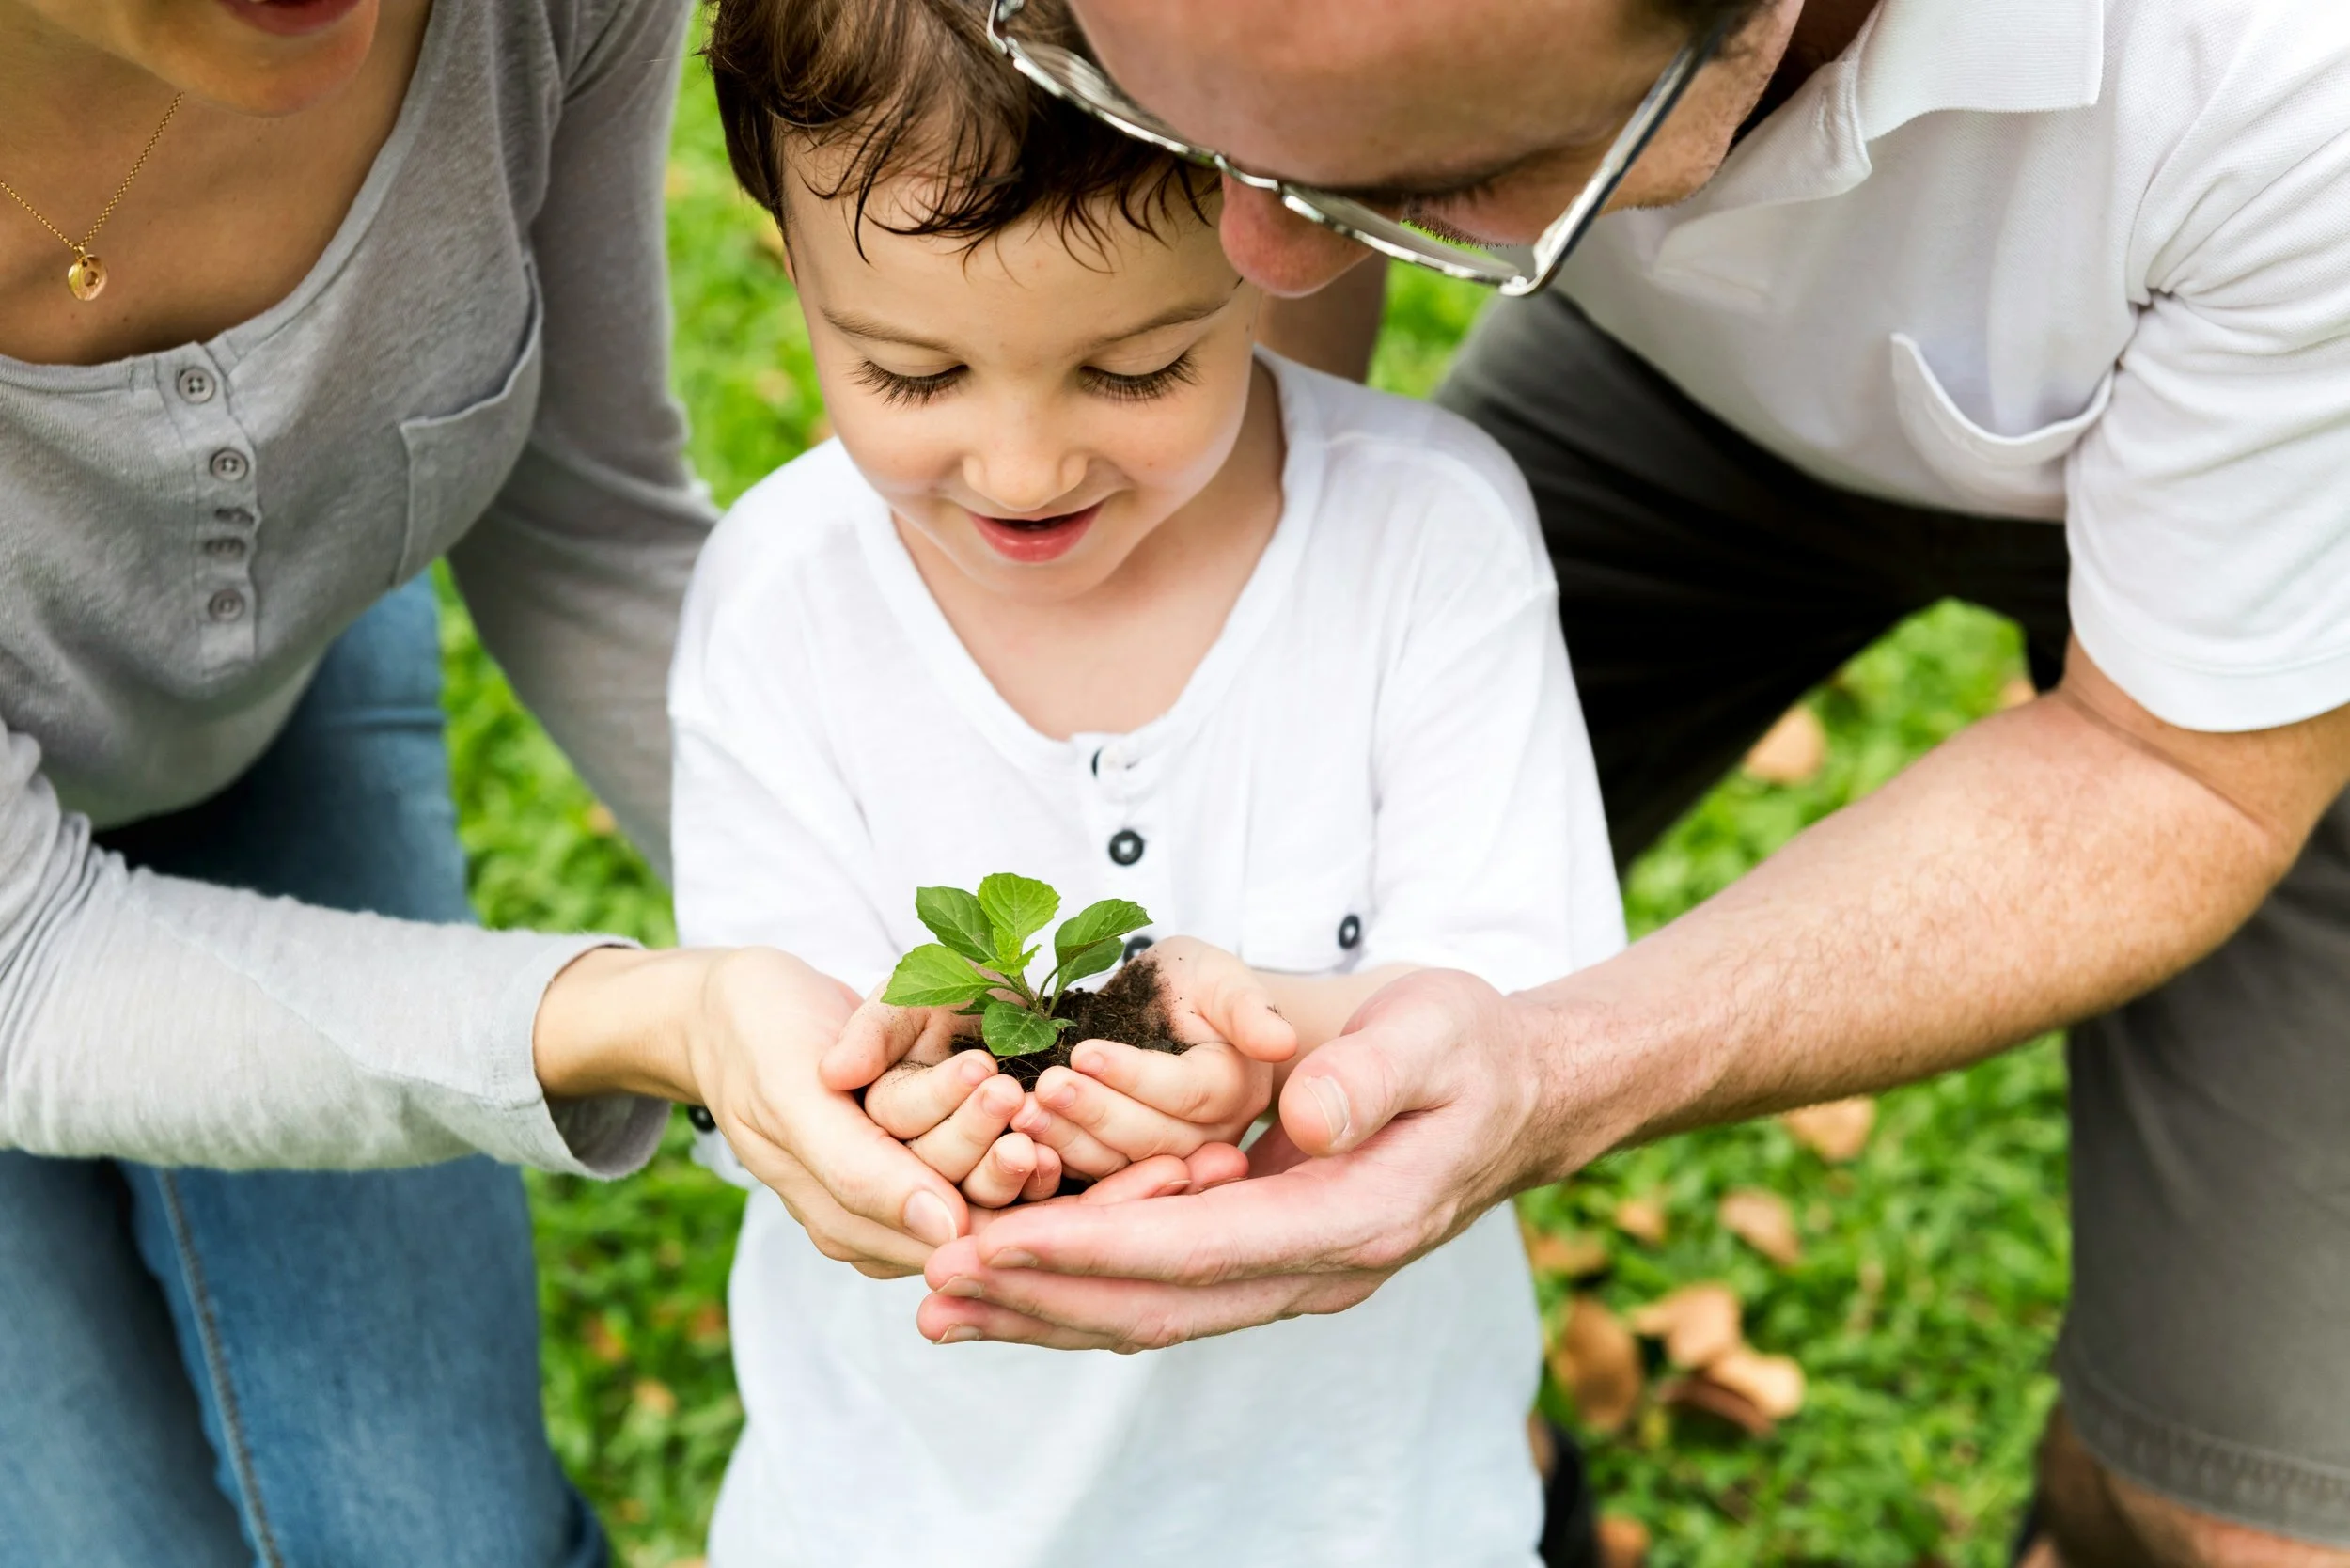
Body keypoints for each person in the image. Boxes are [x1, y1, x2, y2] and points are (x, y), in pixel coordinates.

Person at [733, 0, 2350, 1562]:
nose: (1258, 255)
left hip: (2285, 505)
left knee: (2233, 1514)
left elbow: (2178, 770)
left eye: (1436, 175)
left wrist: (1541, 1073)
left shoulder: (2283, 86)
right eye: (1170, 115)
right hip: (1672, 380)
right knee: (1288, 950)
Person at [667, 0, 1625, 1561]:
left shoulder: (1426, 538)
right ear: (795, 270)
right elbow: (771, 1065)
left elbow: (1533, 1014)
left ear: (1275, 241)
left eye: (1133, 369)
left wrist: (1279, 1054)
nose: (1023, 468)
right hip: (918, 1514)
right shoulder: (782, 597)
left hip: (1358, 1511)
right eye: (913, 374)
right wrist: (912, 1113)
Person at [0, 0, 934, 1560]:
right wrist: (652, 1016)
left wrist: (920, 974)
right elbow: (25, 970)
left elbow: (587, 524)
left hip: (263, 707)